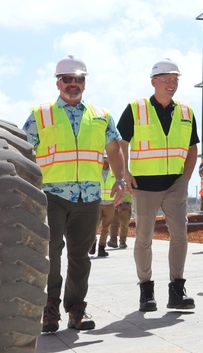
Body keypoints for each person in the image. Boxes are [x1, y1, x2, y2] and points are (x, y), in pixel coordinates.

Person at [24, 55, 125, 333]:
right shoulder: (40, 115)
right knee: (51, 253)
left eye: (79, 79)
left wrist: (120, 180)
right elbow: (24, 152)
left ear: (85, 82)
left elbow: (114, 149)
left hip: (88, 197)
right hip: (51, 195)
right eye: (67, 79)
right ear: (58, 83)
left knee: (80, 256)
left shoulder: (101, 115)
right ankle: (50, 307)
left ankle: (76, 309)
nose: (73, 84)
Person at [118, 58, 199, 312]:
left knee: (180, 236)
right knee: (143, 238)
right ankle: (146, 291)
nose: (171, 84)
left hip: (175, 183)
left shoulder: (186, 112)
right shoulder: (136, 108)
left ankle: (177, 291)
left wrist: (185, 179)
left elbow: (192, 148)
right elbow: (121, 143)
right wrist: (125, 171)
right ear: (154, 82)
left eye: (175, 79)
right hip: (144, 186)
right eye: (166, 79)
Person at [93, 158, 116, 258]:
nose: (106, 161)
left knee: (106, 228)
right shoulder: (96, 171)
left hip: (110, 204)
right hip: (98, 203)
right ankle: (92, 244)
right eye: (104, 159)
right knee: (94, 226)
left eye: (107, 159)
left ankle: (101, 248)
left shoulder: (114, 172)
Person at [108, 173, 132, 249]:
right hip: (127, 204)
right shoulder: (129, 178)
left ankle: (113, 241)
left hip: (116, 202)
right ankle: (122, 242)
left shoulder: (114, 177)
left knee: (114, 224)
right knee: (124, 225)